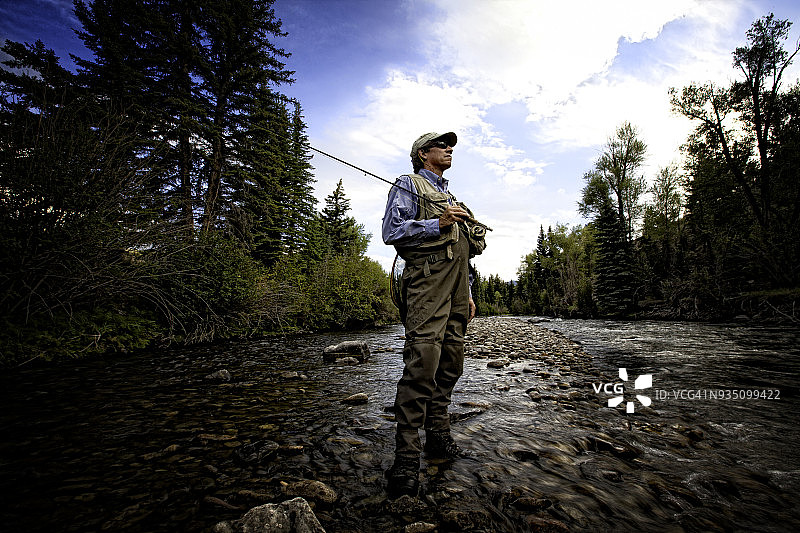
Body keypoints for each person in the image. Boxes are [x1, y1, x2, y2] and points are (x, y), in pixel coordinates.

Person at [381, 131, 486, 497]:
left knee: (451, 362)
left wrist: (469, 292)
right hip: (426, 285)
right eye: (442, 145)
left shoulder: (452, 198)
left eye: (451, 145)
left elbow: (464, 250)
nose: (449, 149)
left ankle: (439, 437)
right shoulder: (407, 184)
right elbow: (391, 231)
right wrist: (436, 223)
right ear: (424, 153)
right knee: (422, 364)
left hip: (457, 290)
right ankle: (407, 458)